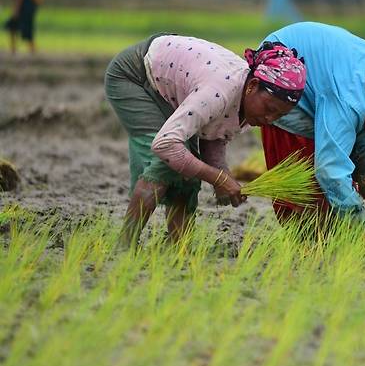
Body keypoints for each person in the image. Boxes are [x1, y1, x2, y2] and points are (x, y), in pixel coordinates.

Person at [105, 34, 306, 247]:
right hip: (135, 77)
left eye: (279, 116)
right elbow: (165, 146)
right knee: (166, 165)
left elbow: (214, 133)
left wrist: (221, 172)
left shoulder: (248, 103)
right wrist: (217, 178)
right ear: (253, 85)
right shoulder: (218, 91)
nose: (269, 119)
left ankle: (179, 248)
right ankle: (124, 245)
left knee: (189, 172)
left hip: (173, 89)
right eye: (269, 109)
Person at [259, 22, 365, 227]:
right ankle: (311, 247)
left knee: (333, 188)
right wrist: (362, 225)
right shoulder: (348, 97)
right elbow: (329, 169)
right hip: (280, 76)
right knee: (309, 194)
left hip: (321, 76)